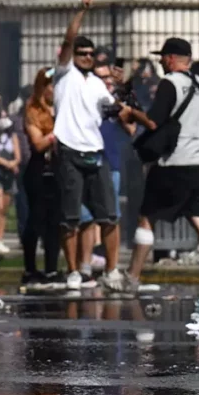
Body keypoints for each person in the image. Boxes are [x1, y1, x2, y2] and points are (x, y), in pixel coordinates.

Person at [124, 38, 199, 296]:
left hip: (172, 163)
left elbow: (152, 122)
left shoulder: (169, 83)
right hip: (196, 164)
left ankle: (132, 278)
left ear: (172, 58)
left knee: (146, 217)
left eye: (163, 57)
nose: (161, 61)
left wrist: (130, 112)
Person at [51, 0, 126, 292]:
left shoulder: (97, 83)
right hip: (69, 149)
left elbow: (113, 110)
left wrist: (122, 98)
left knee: (109, 215)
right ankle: (72, 271)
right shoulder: (63, 74)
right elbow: (69, 40)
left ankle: (112, 270)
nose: (86, 58)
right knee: (69, 217)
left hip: (95, 151)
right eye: (82, 54)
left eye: (90, 54)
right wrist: (81, 10)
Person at [75, 62, 136, 286]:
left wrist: (120, 107)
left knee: (110, 217)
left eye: (109, 78)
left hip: (111, 163)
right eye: (101, 78)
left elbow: (131, 129)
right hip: (88, 159)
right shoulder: (86, 99)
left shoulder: (116, 103)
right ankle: (85, 266)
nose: (106, 82)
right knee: (85, 218)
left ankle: (112, 268)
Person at [21, 68, 62, 287]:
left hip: (57, 168)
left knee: (54, 222)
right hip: (38, 169)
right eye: (51, 85)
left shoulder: (63, 108)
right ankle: (29, 268)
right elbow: (38, 143)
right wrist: (58, 132)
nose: (54, 90)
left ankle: (52, 269)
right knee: (36, 219)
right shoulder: (33, 109)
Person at [0, 111, 20, 255]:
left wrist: (13, 163)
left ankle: (0, 238)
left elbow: (18, 155)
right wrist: (5, 163)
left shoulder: (12, 136)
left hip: (9, 175)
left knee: (4, 208)